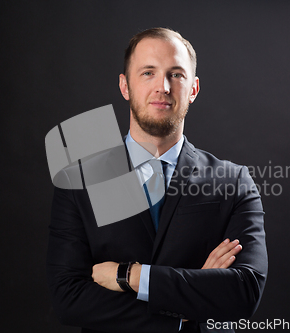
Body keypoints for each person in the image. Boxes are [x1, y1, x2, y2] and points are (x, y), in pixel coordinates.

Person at [47, 27, 267, 333]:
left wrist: (131, 276)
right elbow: (68, 299)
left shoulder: (234, 182)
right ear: (125, 86)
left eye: (176, 74)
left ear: (193, 88)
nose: (162, 86)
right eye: (148, 72)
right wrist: (186, 305)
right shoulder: (77, 181)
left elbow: (244, 291)